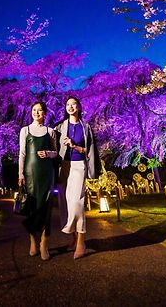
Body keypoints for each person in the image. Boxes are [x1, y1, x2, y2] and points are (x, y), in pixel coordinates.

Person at [55, 96, 100, 259]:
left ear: (79, 107)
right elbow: (53, 148)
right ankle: (74, 239)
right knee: (65, 205)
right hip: (63, 167)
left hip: (79, 166)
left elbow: (89, 150)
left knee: (77, 203)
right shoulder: (59, 127)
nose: (70, 106)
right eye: (68, 104)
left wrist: (74, 146)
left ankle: (81, 241)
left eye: (73, 104)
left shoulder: (86, 127)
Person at [18, 101, 58, 260]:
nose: (37, 112)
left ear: (45, 113)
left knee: (46, 209)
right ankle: (32, 241)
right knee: (31, 208)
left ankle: (44, 243)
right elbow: (22, 154)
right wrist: (20, 174)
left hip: (46, 174)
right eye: (34, 110)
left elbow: (56, 153)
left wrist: (48, 153)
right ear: (31, 112)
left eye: (40, 110)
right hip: (29, 174)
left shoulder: (50, 131)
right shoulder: (25, 130)